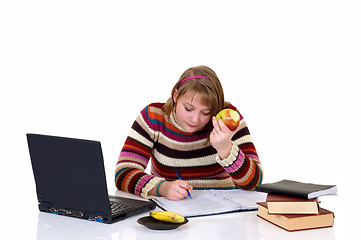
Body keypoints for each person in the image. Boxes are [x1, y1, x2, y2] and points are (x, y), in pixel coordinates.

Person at [115, 65, 263, 200]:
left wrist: (225, 148)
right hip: (172, 211)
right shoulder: (153, 117)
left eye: (205, 112)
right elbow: (123, 173)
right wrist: (162, 187)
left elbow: (254, 182)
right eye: (188, 108)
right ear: (175, 96)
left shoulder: (228, 120)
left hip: (224, 210)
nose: (195, 119)